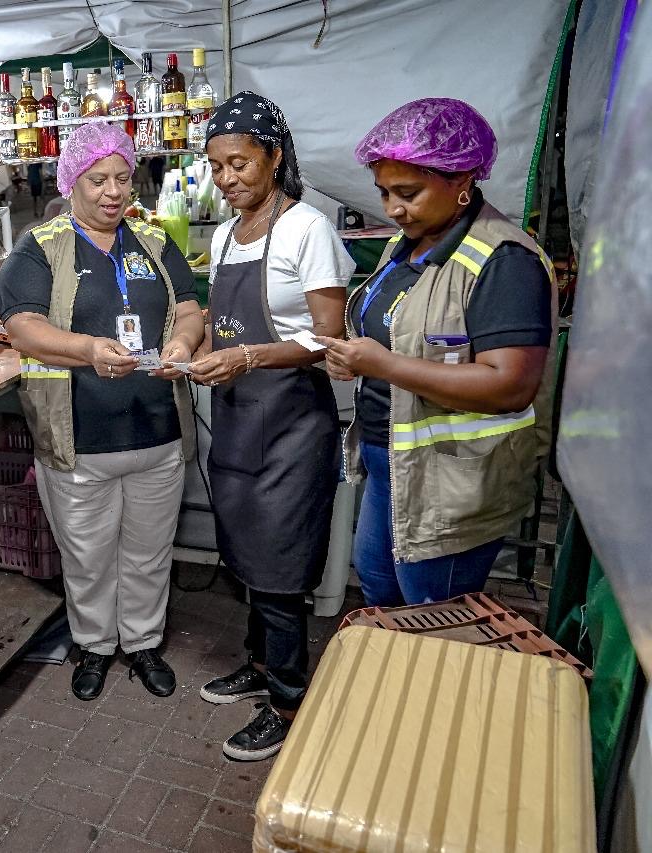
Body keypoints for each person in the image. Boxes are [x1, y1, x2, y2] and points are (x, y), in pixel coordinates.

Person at [319, 98, 555, 608]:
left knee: (434, 613)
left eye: (408, 193)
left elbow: (510, 385)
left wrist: (383, 364)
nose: (392, 209)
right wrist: (354, 358)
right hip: (391, 462)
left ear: (461, 179)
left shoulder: (504, 262)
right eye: (384, 193)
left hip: (452, 479)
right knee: (381, 589)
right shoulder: (405, 244)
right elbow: (399, 333)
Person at [0, 122, 203, 702]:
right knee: (88, 558)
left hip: (157, 432)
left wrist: (182, 343)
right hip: (80, 439)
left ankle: (142, 643)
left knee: (148, 554)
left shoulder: (154, 242)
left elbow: (190, 308)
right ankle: (93, 645)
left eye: (122, 178)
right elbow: (23, 327)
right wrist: (88, 349)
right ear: (71, 181)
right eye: (97, 180)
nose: (113, 192)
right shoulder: (40, 248)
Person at [190, 93, 353, 761]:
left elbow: (329, 337)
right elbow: (221, 323)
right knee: (247, 552)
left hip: (291, 424)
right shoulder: (224, 235)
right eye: (216, 166)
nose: (227, 178)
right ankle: (259, 667)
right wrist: (196, 356)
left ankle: (288, 701)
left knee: (281, 564)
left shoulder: (307, 229)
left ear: (275, 157)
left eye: (240, 163)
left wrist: (249, 357)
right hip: (236, 417)